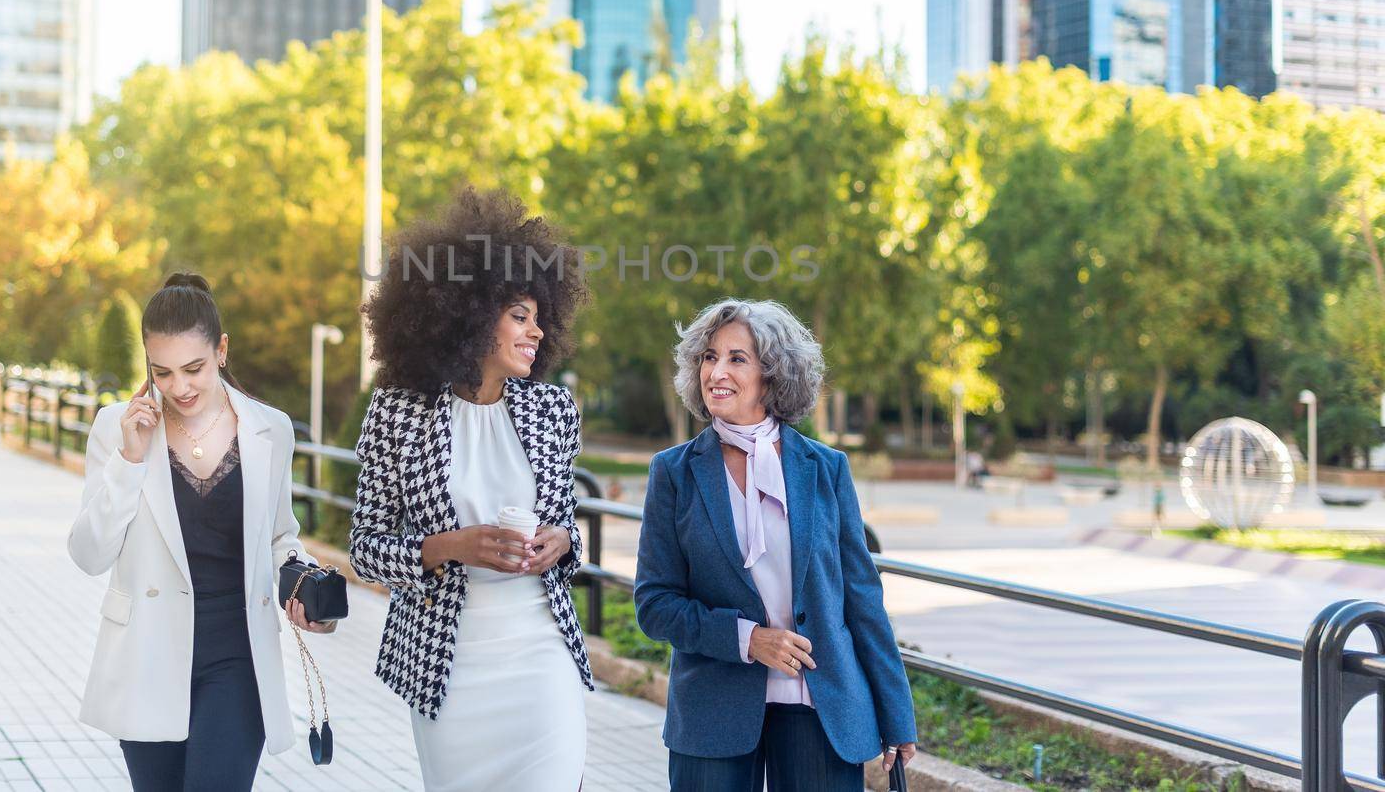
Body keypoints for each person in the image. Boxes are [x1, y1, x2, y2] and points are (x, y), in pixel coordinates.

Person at [349, 188, 593, 792]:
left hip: (541, 651)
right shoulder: (399, 414)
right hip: (449, 666)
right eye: (519, 315)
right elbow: (364, 546)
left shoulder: (553, 409)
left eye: (540, 317)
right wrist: (449, 546)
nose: (537, 331)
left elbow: (566, 531)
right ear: (470, 313)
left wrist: (563, 543)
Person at [635, 298, 919, 792]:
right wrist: (748, 640)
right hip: (712, 711)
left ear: (773, 374)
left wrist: (897, 713)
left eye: (736, 358)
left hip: (821, 706)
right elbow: (655, 604)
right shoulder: (674, 472)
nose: (716, 371)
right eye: (708, 356)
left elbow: (862, 599)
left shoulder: (826, 469)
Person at [68, 272, 334, 791]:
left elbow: (280, 537)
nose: (180, 387)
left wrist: (303, 588)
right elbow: (89, 554)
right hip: (146, 652)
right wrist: (130, 458)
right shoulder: (115, 427)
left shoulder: (270, 430)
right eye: (162, 372)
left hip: (237, 653)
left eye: (195, 368)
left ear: (223, 350)